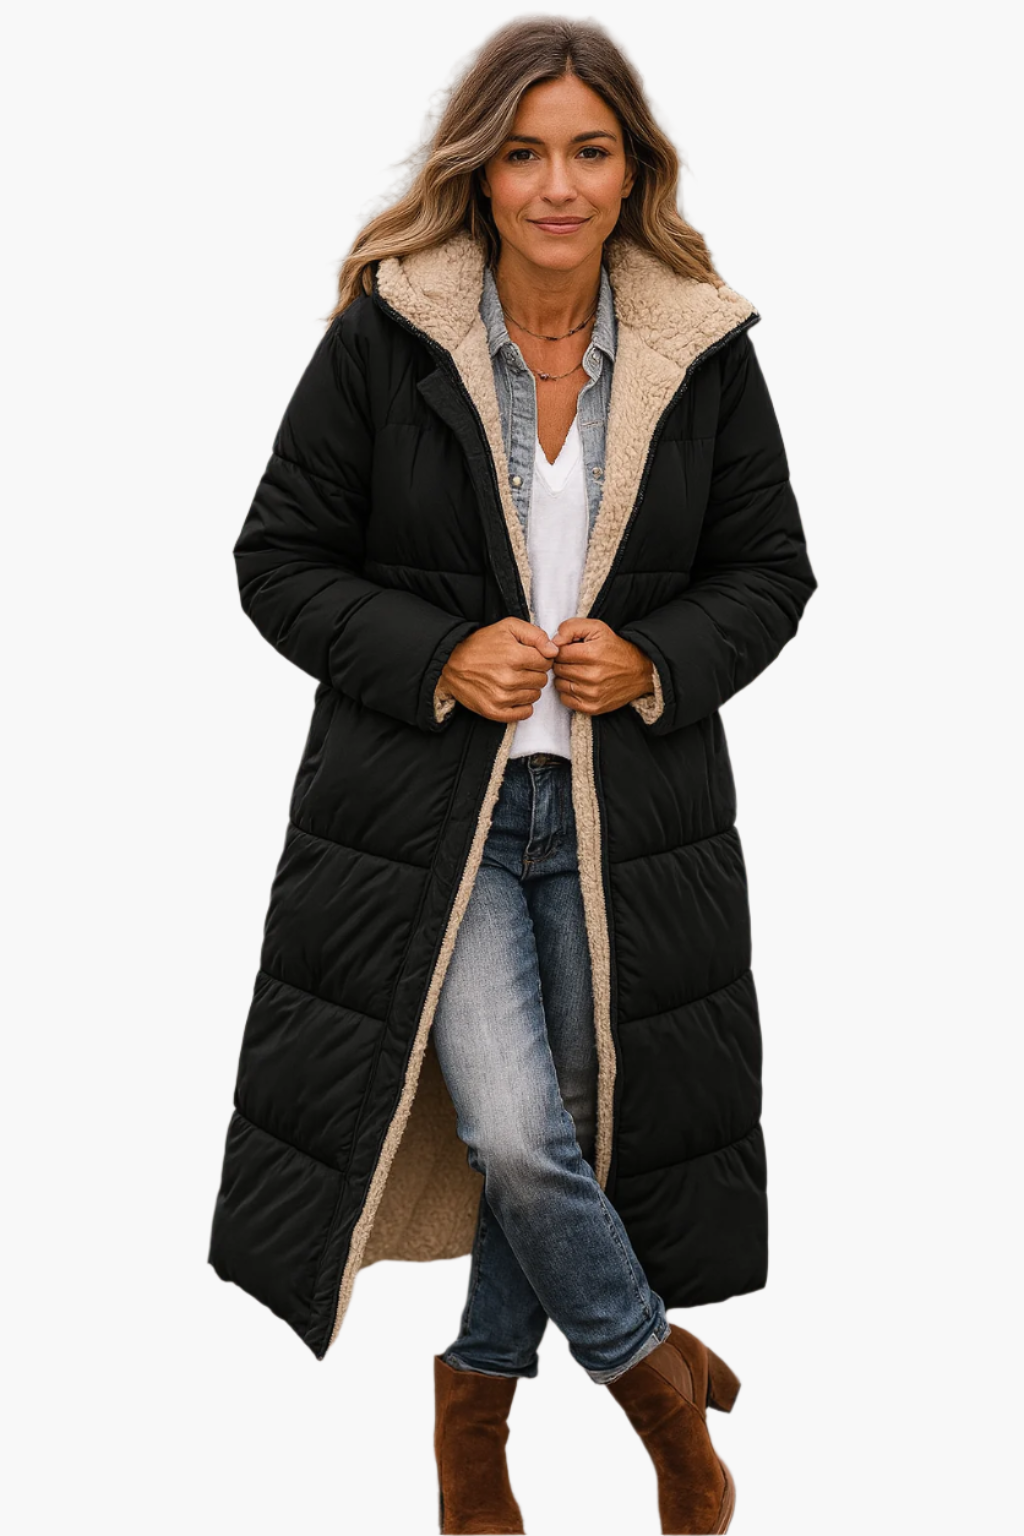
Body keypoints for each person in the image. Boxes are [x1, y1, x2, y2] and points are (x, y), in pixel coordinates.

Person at [209, 17, 817, 1535]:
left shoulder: (698, 349)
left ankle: (473, 1411)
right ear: (479, 173)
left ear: (633, 173)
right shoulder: (388, 338)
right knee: (521, 1136)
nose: (557, 185)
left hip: (625, 822)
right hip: (431, 820)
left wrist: (657, 656)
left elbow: (770, 572)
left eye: (589, 152)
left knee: (580, 1129)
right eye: (525, 153)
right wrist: (438, 653)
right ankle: (660, 1388)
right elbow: (277, 560)